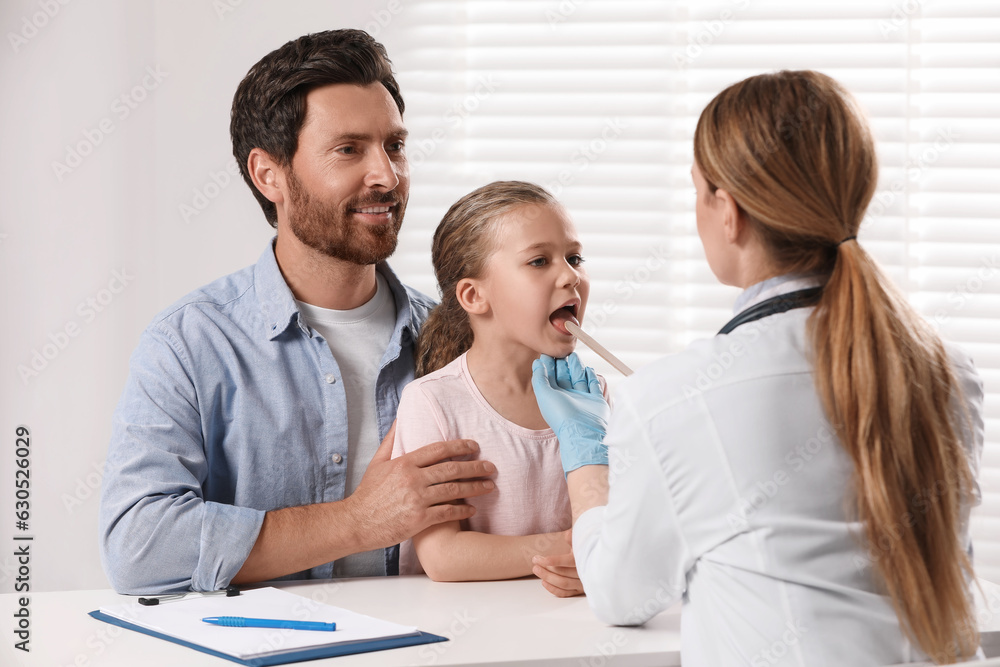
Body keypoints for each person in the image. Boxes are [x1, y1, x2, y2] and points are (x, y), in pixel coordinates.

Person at [531, 70, 985, 664]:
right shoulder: (949, 371)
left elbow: (620, 593)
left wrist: (586, 451)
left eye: (698, 190)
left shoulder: (674, 398)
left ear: (730, 210)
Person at [98, 29, 498, 594]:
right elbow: (139, 546)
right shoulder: (189, 343)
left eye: (395, 146)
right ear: (269, 175)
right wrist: (358, 522)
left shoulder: (459, 337)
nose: (387, 175)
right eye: (348, 149)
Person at [390, 181, 602, 597]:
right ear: (473, 295)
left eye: (574, 258)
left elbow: (621, 523)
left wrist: (598, 561)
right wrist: (577, 550)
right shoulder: (434, 402)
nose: (571, 276)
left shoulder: (594, 402)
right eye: (540, 261)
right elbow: (443, 556)